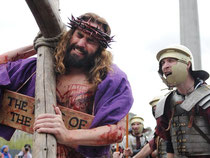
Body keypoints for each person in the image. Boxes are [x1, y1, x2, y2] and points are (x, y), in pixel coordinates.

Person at [0, 13, 133, 157]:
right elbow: (2, 63)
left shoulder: (111, 79)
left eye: (91, 41)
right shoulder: (40, 67)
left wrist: (67, 135)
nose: (81, 44)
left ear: (100, 49)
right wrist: (40, 44)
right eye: (79, 35)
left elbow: (117, 132)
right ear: (69, 35)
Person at [152, 44, 210, 158]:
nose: (165, 66)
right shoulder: (166, 103)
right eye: (162, 63)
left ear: (187, 64)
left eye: (170, 60)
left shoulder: (207, 97)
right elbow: (169, 142)